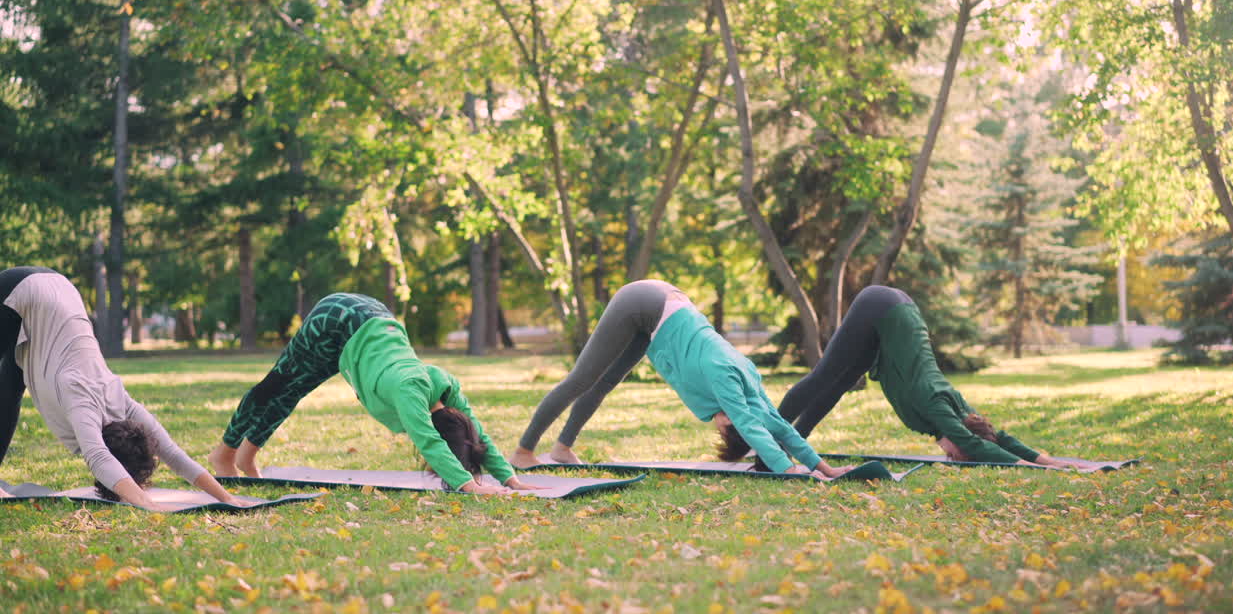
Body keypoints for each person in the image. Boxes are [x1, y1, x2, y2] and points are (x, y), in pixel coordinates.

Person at [509, 280, 854, 479]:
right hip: (644, 302)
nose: (717, 425)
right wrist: (787, 470)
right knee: (582, 379)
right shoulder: (728, 384)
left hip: (663, 314)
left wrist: (823, 468)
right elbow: (749, 425)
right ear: (729, 422)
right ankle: (524, 450)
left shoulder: (749, 379)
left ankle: (562, 448)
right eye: (723, 429)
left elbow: (780, 426)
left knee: (605, 382)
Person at [210, 292, 537, 495]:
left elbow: (477, 431)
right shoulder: (411, 392)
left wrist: (511, 480)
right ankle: (224, 453)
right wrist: (467, 485)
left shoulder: (445, 384)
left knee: (294, 389)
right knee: (279, 384)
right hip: (337, 320)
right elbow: (430, 441)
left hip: (371, 319)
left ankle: (246, 456)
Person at [0, 266, 244, 510]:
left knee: (9, 389)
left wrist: (226, 497)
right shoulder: (82, 402)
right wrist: (148, 504)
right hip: (22, 291)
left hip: (56, 290)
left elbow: (173, 453)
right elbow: (99, 457)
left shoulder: (121, 401)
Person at [776, 285, 1079, 468]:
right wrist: (1031, 467)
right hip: (882, 307)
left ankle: (788, 446)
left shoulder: (958, 408)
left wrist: (1045, 460)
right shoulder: (937, 408)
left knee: (839, 383)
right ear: (961, 439)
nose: (950, 455)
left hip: (897, 316)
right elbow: (976, 445)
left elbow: (997, 438)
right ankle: (767, 445)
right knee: (822, 378)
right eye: (955, 455)